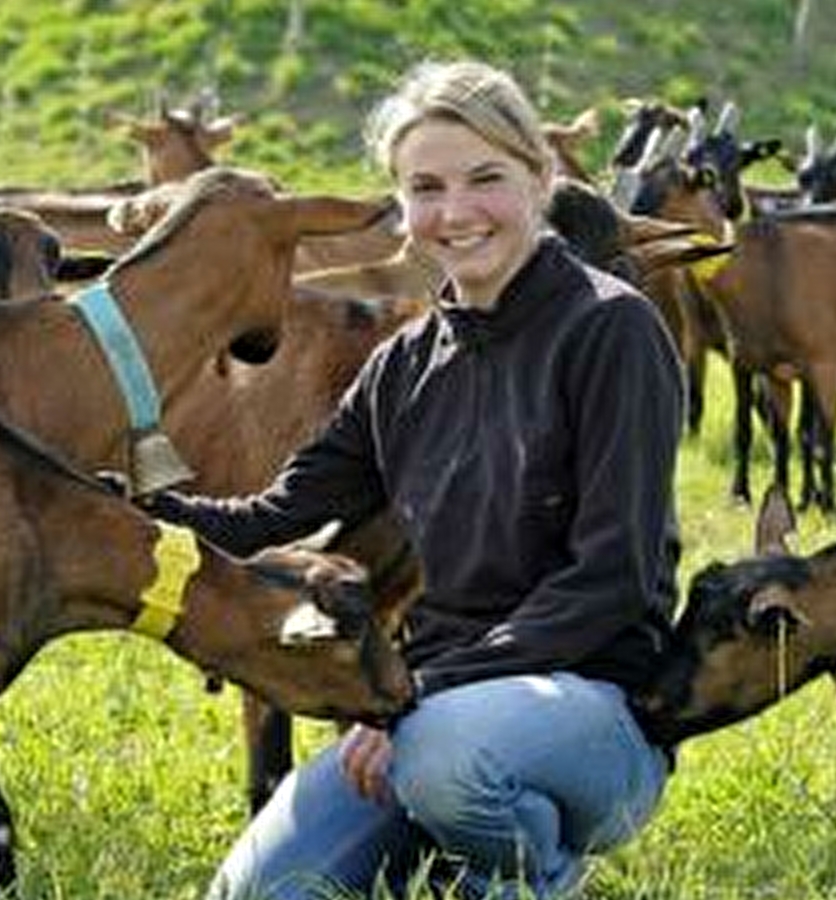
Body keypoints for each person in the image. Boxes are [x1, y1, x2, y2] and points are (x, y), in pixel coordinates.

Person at [147, 60, 683, 900]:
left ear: (541, 179)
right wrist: (127, 509)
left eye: (485, 179)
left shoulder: (612, 328)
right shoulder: (406, 362)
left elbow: (612, 578)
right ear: (401, 209)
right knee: (255, 893)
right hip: (430, 712)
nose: (455, 212)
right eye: (425, 187)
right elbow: (280, 512)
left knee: (446, 766)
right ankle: (462, 844)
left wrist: (420, 697)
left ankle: (533, 873)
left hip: (594, 709)